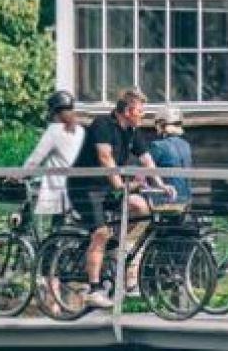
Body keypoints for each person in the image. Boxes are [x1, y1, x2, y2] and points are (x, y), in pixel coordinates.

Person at [67, 88, 175, 309]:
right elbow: (105, 157)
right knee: (101, 233)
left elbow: (147, 160)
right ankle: (94, 289)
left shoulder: (133, 132)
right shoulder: (102, 125)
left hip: (107, 190)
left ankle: (119, 250)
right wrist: (118, 184)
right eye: (140, 112)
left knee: (141, 207)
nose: (142, 116)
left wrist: (161, 185)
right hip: (85, 188)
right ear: (127, 111)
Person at [23, 90, 85, 230]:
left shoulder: (54, 130)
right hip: (77, 187)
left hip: (58, 189)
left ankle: (49, 250)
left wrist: (18, 175)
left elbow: (36, 158)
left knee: (55, 231)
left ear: (53, 111)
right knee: (62, 230)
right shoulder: (80, 130)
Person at [148, 107, 193, 207]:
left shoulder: (157, 146)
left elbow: (147, 172)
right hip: (186, 198)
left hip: (165, 198)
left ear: (161, 125)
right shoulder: (186, 145)